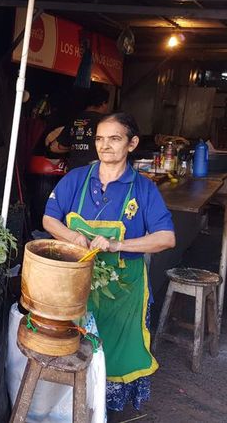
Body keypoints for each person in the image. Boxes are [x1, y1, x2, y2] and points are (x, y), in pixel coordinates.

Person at [42, 113, 176, 415]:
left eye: (114, 138)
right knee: (73, 347)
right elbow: (49, 218)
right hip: (77, 283)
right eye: (100, 138)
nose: (105, 145)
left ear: (132, 143)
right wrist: (71, 235)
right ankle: (72, 407)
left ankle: (106, 411)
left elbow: (166, 238)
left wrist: (118, 244)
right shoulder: (77, 178)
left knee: (115, 352)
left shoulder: (143, 189)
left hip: (123, 291)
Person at [51, 84, 110, 170]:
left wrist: (75, 146)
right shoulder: (106, 122)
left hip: (74, 172)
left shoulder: (74, 120)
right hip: (96, 172)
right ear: (104, 103)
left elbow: (55, 147)